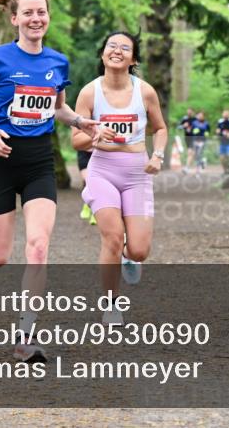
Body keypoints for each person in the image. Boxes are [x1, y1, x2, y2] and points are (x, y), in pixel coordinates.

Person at [0, 0, 101, 364]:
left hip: (39, 160)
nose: (35, 18)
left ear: (48, 18)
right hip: (1, 160)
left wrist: (80, 122)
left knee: (38, 248)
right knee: (2, 255)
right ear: (15, 19)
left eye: (41, 12)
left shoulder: (58, 61)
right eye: (28, 13)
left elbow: (57, 107)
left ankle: (26, 335)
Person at [72, 32, 167, 325]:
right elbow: (76, 139)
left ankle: (128, 255)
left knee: (139, 250)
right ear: (102, 54)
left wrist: (158, 156)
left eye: (125, 48)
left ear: (133, 58)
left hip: (136, 172)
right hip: (102, 170)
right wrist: (94, 136)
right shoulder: (89, 93)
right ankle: (111, 305)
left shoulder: (145, 92)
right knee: (112, 237)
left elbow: (160, 128)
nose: (117, 50)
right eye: (111, 45)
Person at [76, 149, 96, 225]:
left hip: (100, 157)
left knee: (97, 185)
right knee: (89, 183)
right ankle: (87, 205)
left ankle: (95, 213)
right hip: (84, 156)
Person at [179, 107, 196, 172]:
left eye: (190, 111)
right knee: (192, 153)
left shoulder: (195, 119)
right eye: (188, 111)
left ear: (192, 112)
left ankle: (187, 168)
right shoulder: (184, 118)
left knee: (190, 153)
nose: (189, 112)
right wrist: (183, 126)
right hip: (187, 138)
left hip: (194, 137)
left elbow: (200, 128)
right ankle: (201, 161)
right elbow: (179, 126)